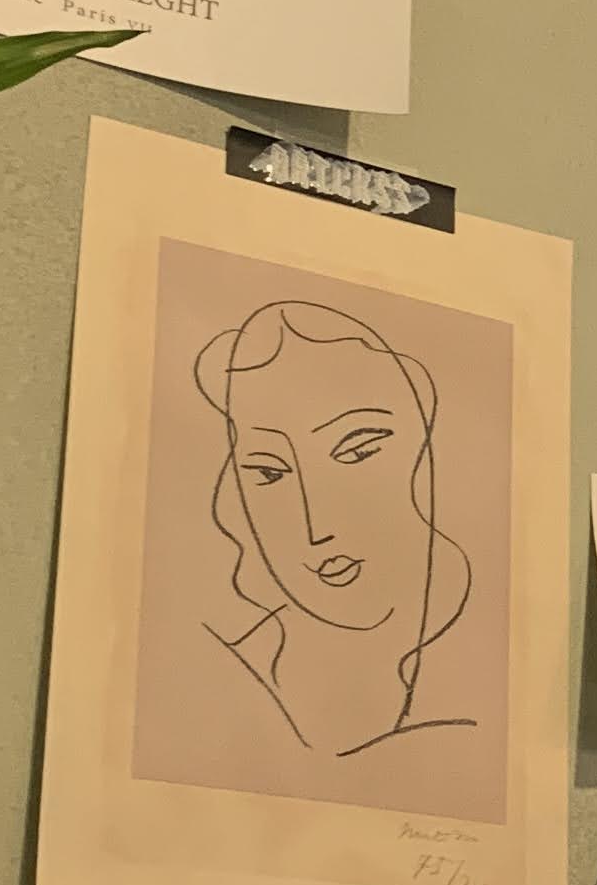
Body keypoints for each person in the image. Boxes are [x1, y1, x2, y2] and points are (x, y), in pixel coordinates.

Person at [197, 301, 474, 759]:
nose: (317, 527)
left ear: (422, 446)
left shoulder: (488, 666)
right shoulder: (224, 675)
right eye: (269, 473)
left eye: (358, 452)